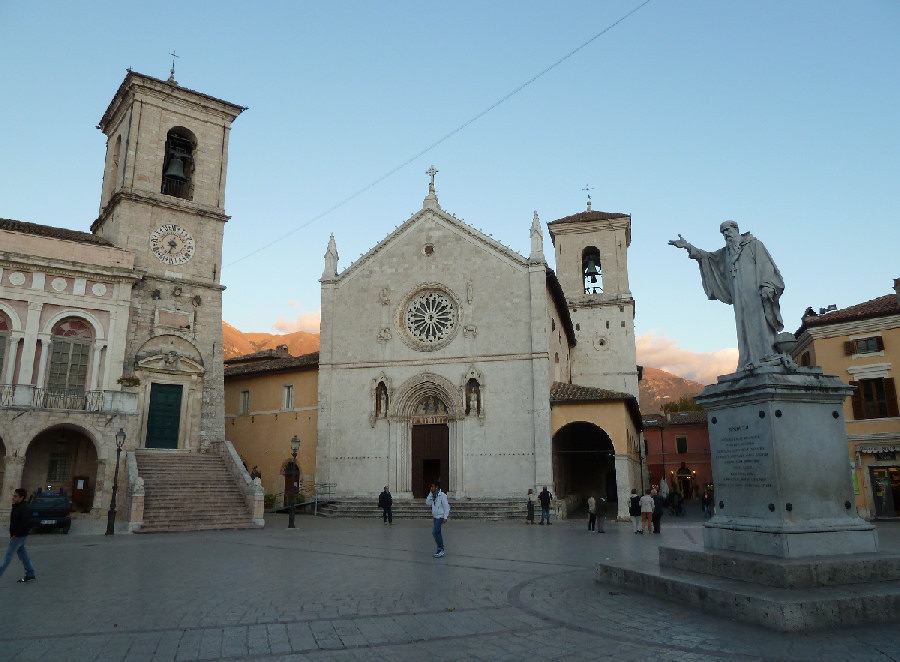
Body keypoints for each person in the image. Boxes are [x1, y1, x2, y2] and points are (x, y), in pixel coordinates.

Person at [670, 221, 785, 370]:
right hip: (739, 297)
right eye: (723, 232)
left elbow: (766, 265)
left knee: (760, 323)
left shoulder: (754, 245)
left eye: (728, 230)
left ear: (736, 229)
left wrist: (767, 286)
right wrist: (687, 246)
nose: (726, 234)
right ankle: (749, 359)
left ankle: (766, 355)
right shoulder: (726, 253)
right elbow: (707, 257)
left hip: (756, 293)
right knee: (743, 326)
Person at [1, 489, 36, 583]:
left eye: (15, 496)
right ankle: (30, 573)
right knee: (23, 555)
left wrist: (16, 534)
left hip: (18, 536)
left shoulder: (24, 508)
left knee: (8, 556)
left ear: (22, 497)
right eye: (13, 495)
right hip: (17, 535)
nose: (13, 497)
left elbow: (24, 523)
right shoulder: (17, 506)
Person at [425, 482, 449, 558]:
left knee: (435, 532)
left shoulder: (442, 495)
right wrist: (430, 494)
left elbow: (446, 506)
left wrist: (445, 517)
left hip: (440, 516)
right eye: (431, 487)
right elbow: (428, 503)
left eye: (432, 487)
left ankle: (441, 549)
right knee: (438, 533)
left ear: (437, 487)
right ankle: (440, 549)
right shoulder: (433, 495)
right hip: (435, 516)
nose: (431, 488)